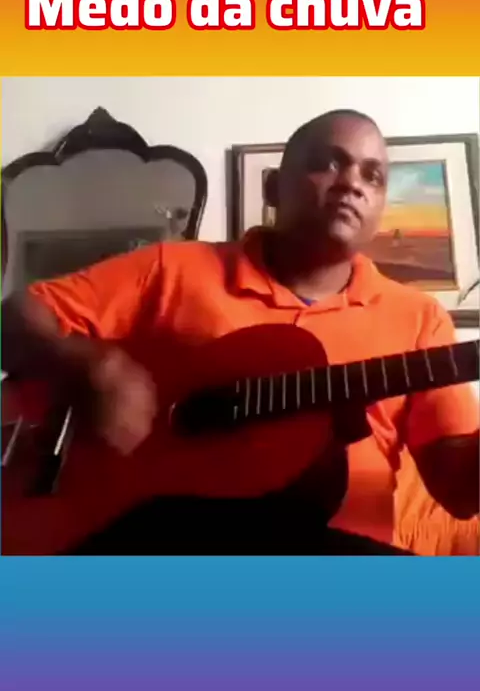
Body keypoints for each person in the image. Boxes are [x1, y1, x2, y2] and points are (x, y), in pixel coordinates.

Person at [2, 109, 479, 555]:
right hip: (148, 541)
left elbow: (459, 491)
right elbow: (15, 319)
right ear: (273, 188)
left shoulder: (419, 318)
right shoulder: (173, 269)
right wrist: (87, 364)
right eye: (329, 163)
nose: (352, 183)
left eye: (373, 176)